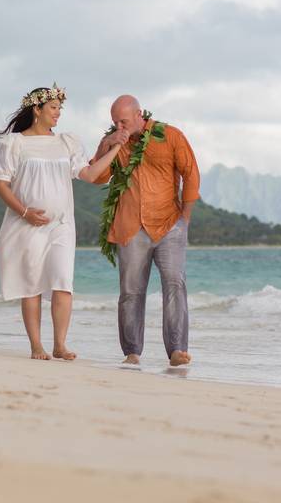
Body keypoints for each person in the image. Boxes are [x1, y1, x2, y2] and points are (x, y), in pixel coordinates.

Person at [0, 85, 125, 361]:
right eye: (53, 108)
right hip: (27, 225)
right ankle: (36, 346)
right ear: (37, 110)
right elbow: (1, 185)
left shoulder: (66, 142)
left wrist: (116, 148)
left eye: (60, 109)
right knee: (32, 284)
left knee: (63, 281)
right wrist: (24, 211)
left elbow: (87, 174)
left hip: (62, 225)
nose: (58, 114)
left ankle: (60, 344)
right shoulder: (15, 144)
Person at [89, 95, 200, 367]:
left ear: (139, 114)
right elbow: (98, 176)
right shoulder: (113, 141)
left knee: (175, 284)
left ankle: (176, 350)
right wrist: (109, 145)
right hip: (130, 226)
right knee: (130, 291)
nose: (119, 126)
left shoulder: (170, 136)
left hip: (169, 224)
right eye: (115, 122)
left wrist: (185, 216)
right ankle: (132, 352)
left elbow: (191, 173)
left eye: (123, 121)